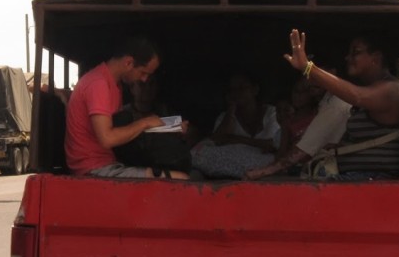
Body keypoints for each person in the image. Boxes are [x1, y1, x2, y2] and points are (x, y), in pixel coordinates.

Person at [250, 28, 399, 180]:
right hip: (358, 175)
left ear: (375, 58)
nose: (348, 58)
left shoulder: (392, 91)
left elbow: (357, 96)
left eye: (356, 52)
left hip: (373, 179)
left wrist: (308, 68)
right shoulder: (372, 91)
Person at [64, 36, 190, 179]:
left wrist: (169, 127)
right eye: (143, 73)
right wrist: (145, 123)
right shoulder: (98, 84)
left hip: (107, 162)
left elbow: (121, 133)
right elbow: (108, 139)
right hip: (93, 168)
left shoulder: (114, 85)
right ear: (129, 62)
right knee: (181, 178)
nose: (144, 79)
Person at [191, 74, 280, 179]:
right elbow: (217, 141)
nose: (236, 93)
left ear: (255, 90)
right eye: (232, 90)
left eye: (241, 88)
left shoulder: (272, 113)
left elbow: (273, 144)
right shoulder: (225, 117)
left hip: (265, 166)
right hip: (234, 168)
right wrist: (231, 109)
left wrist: (237, 139)